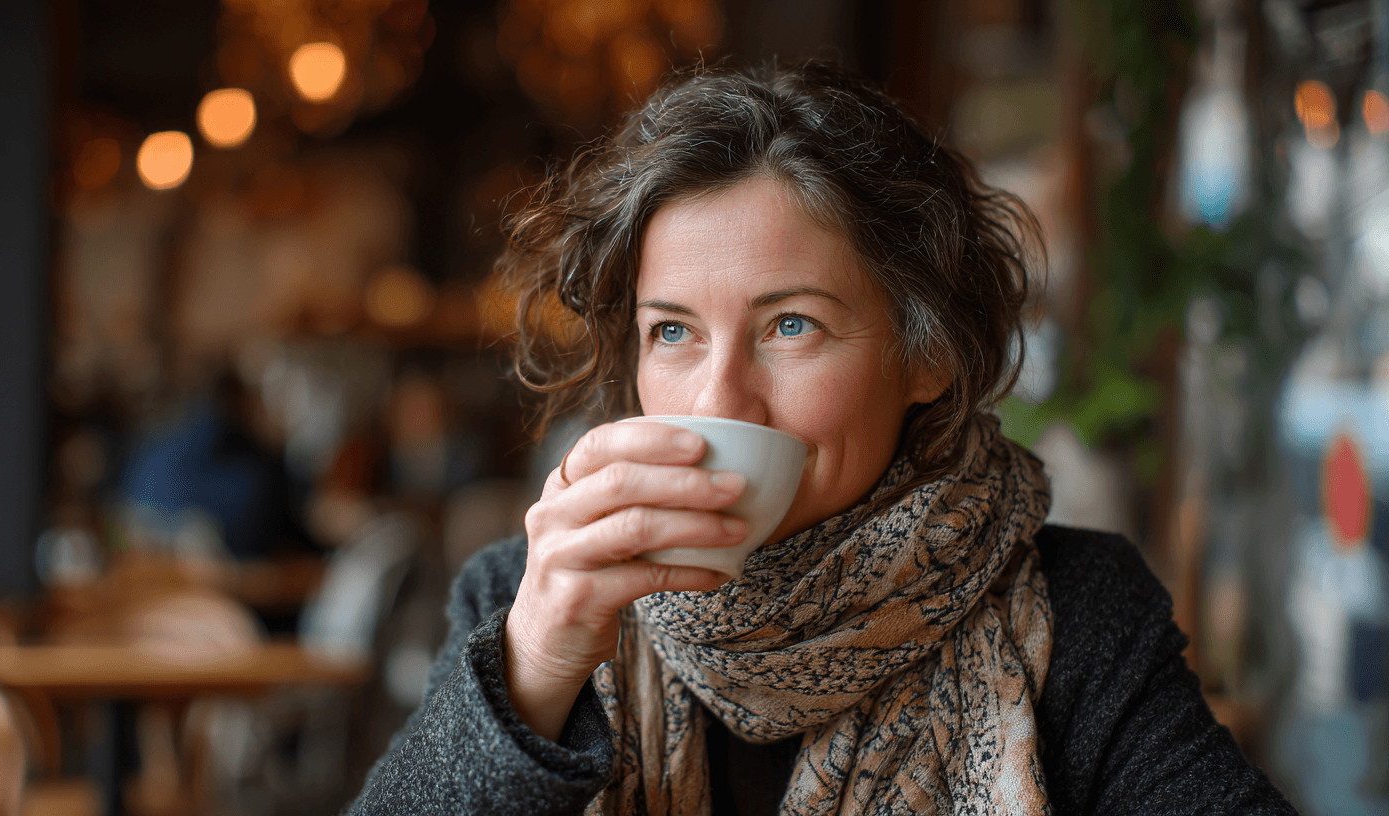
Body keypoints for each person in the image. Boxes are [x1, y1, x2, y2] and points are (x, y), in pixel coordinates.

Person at [347, 61, 1295, 815]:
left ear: (929, 358)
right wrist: (538, 665)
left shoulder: (1070, 616)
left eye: (790, 325)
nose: (721, 402)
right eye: (671, 332)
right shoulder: (521, 598)